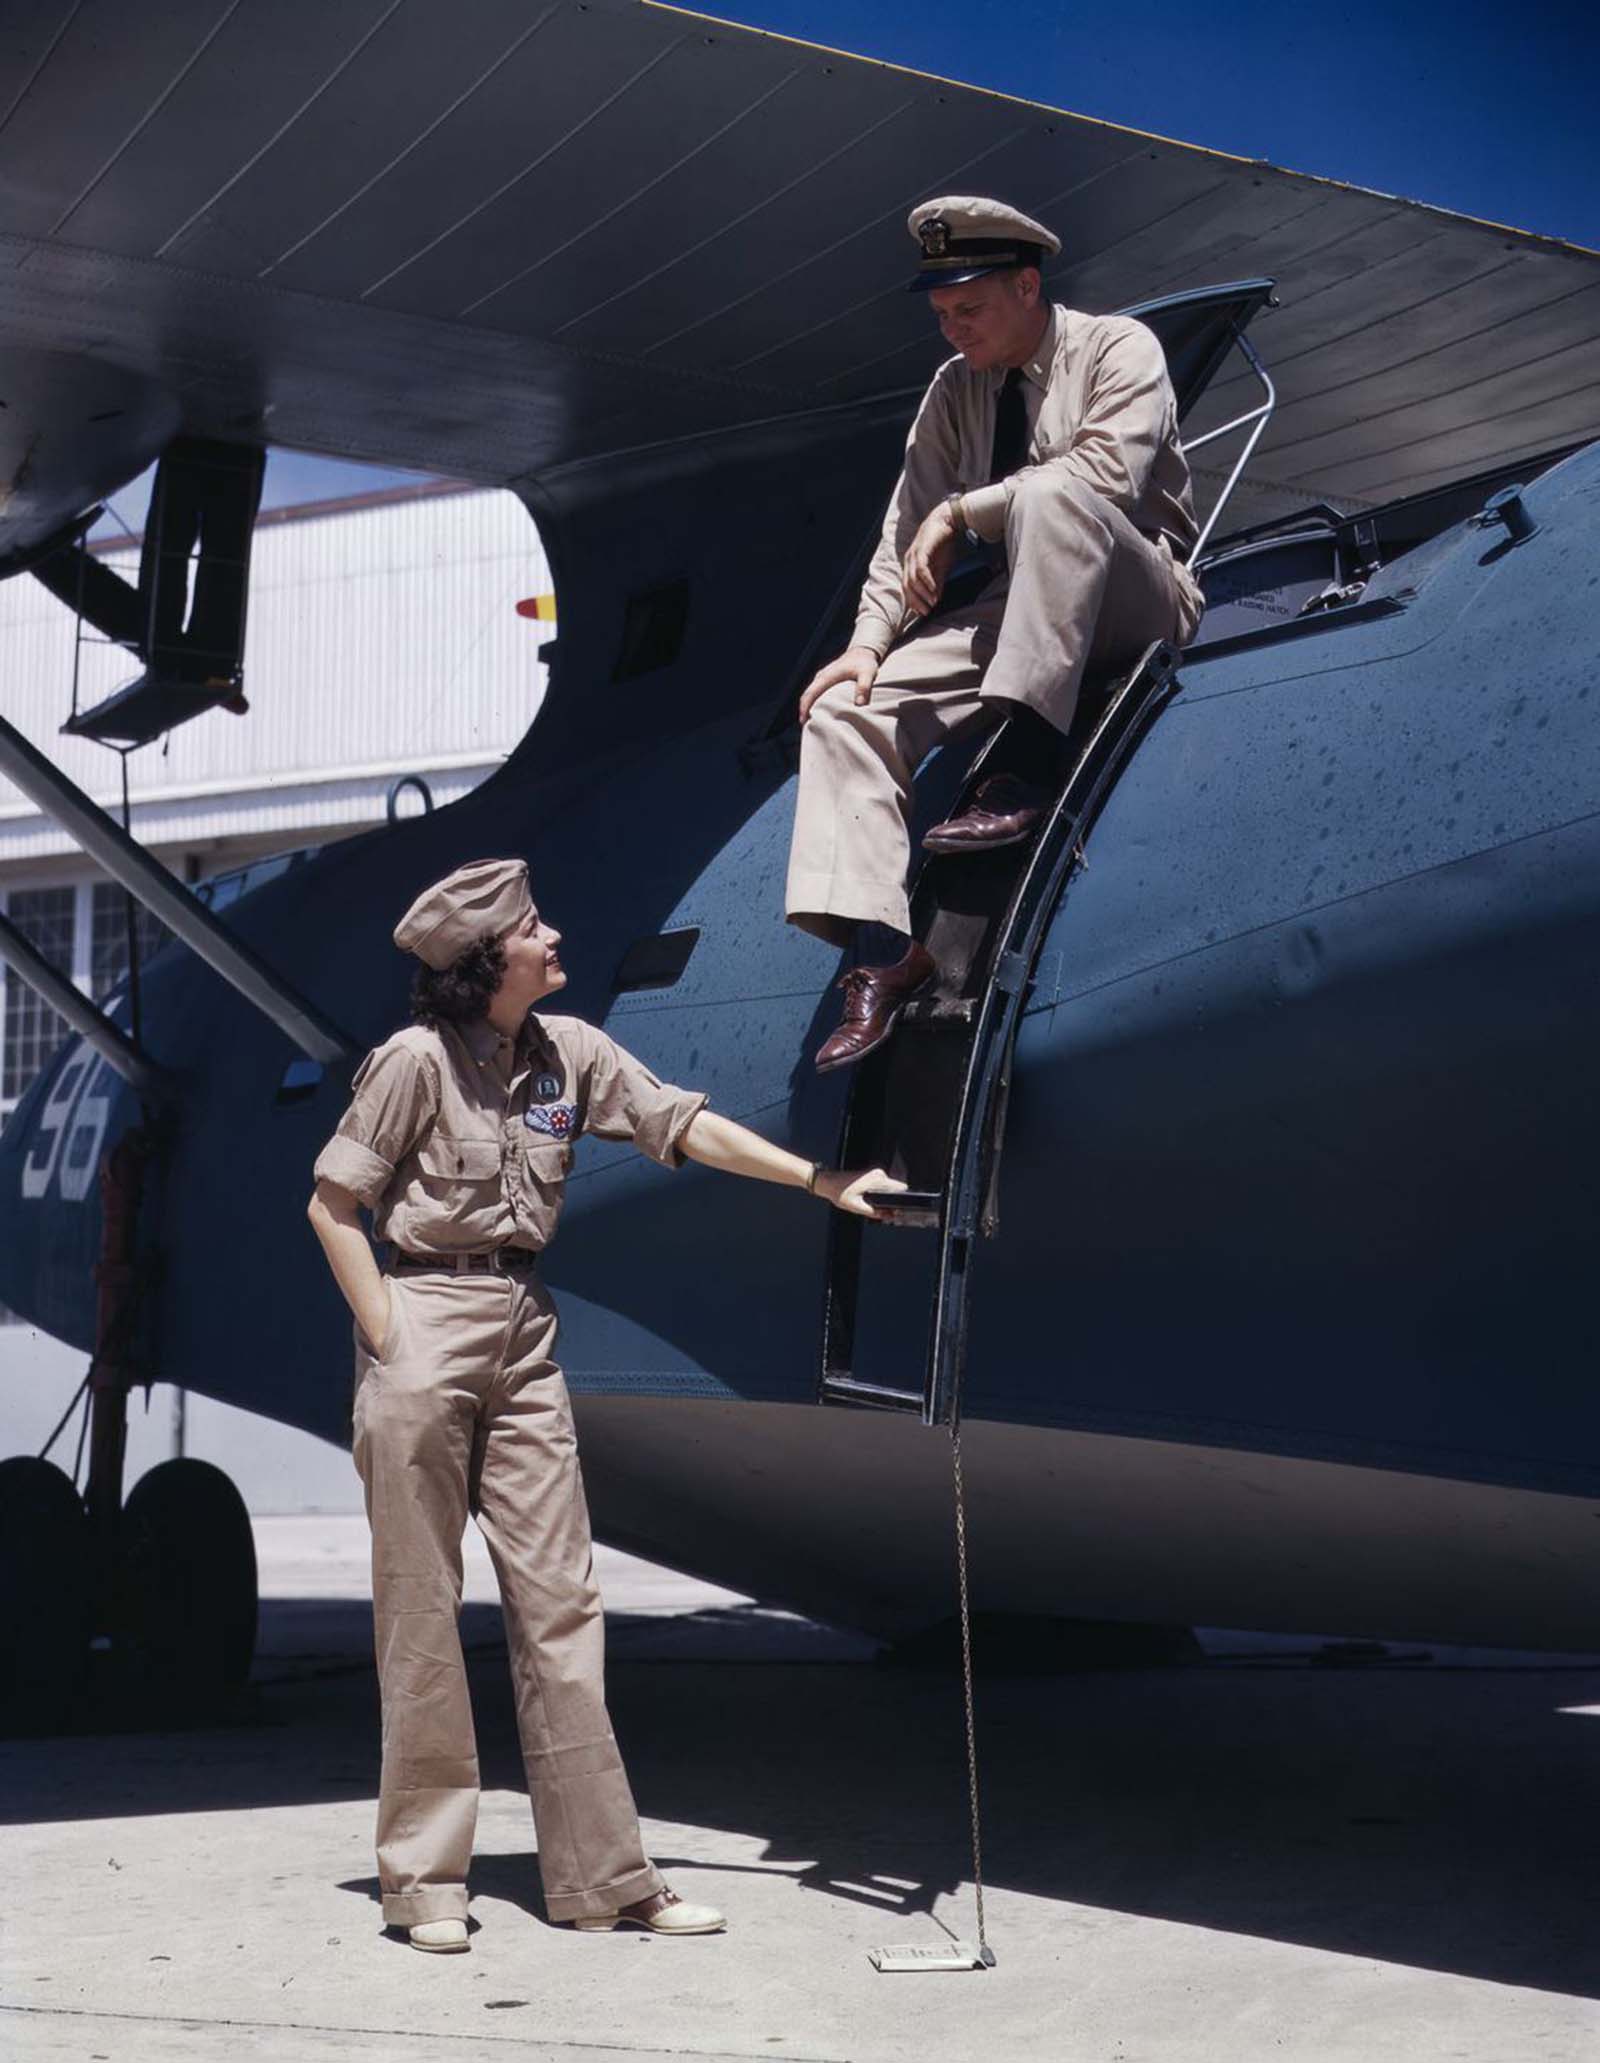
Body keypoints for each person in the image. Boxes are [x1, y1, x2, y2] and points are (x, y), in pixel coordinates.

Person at [307, 858, 901, 1952]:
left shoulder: (567, 1052)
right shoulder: (412, 1062)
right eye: (534, 925)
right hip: (425, 1312)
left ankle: (605, 1877)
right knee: (420, 1611)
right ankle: (425, 1883)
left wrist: (824, 1182)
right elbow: (334, 1200)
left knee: (562, 1605)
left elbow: (681, 1124)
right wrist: (390, 1335)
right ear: (488, 960)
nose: (553, 932)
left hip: (524, 1325)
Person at [786, 195, 1206, 1071]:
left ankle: (1019, 765)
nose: (953, 331)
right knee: (843, 714)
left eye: (968, 309)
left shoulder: (1120, 347)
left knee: (1055, 491)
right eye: (941, 314)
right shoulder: (954, 390)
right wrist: (867, 646)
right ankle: (881, 954)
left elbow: (1101, 480)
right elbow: (905, 534)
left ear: (1027, 286)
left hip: (1137, 588)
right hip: (1026, 605)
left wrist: (962, 512)